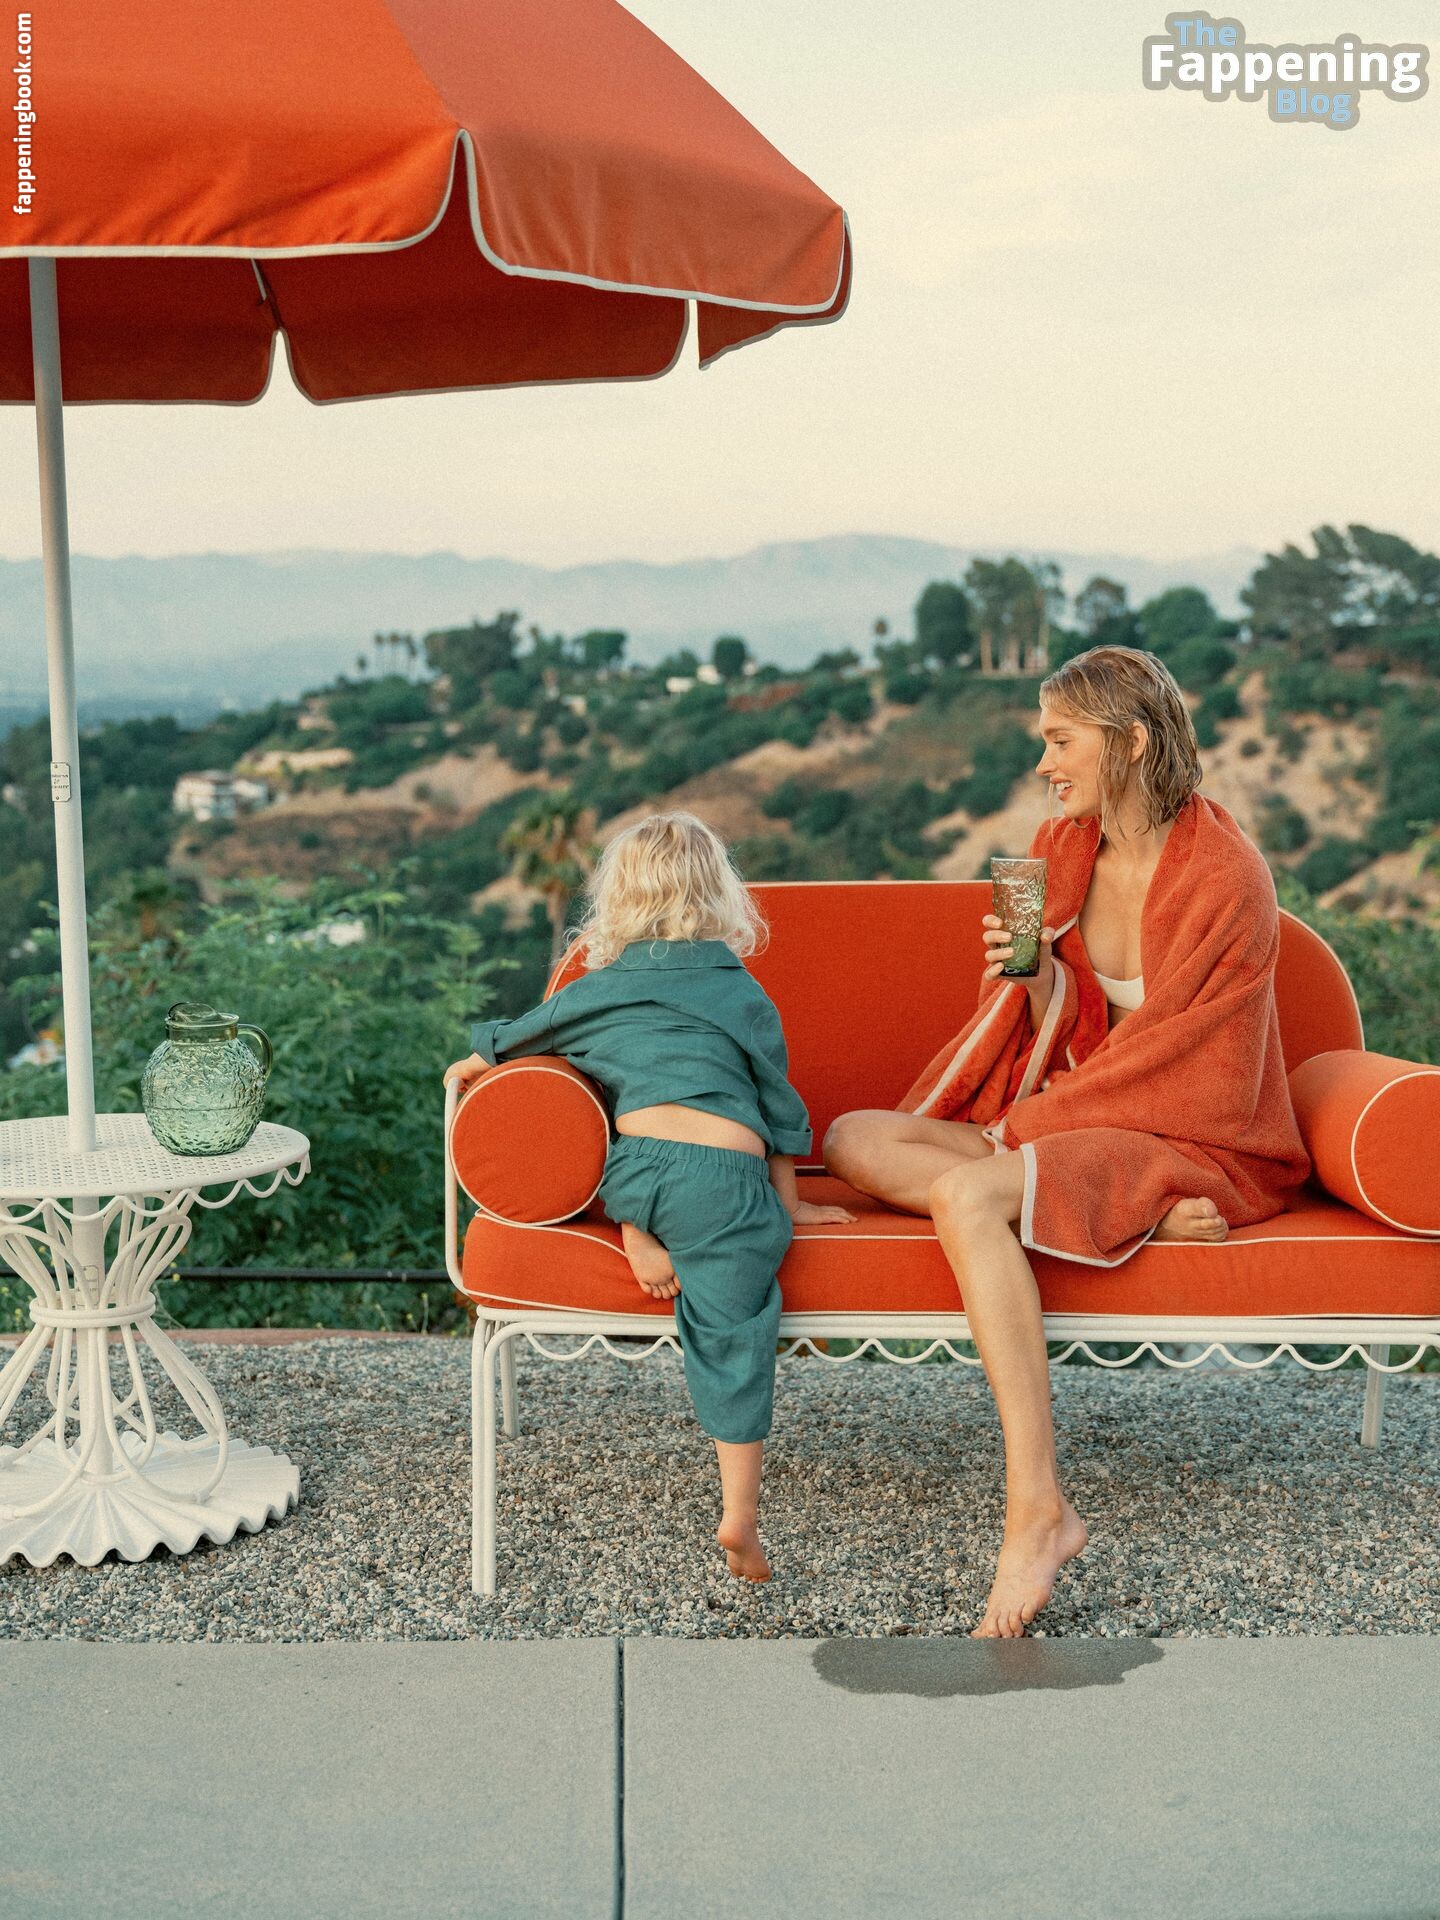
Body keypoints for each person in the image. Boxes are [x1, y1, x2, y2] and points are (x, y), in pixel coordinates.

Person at [823, 646, 1310, 1640]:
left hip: (1191, 1138)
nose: (1044, 762)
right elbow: (1054, 1020)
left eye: (1060, 740)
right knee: (850, 1138)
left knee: (966, 1196)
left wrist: (1027, 1132)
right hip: (1078, 1115)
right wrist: (1033, 976)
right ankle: (1124, 1214)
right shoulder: (1057, 848)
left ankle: (1039, 1508)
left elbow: (1198, 1066)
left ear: (1128, 742)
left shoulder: (1226, 874)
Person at [444, 810, 854, 1583]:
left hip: (636, 1171)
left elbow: (527, 1031)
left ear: (618, 900)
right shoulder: (743, 995)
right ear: (719, 896)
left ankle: (636, 1228)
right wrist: (793, 1206)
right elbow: (778, 1112)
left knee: (604, 1149)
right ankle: (739, 1515)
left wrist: (473, 1062)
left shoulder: (601, 989)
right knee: (734, 1332)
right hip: (728, 1183)